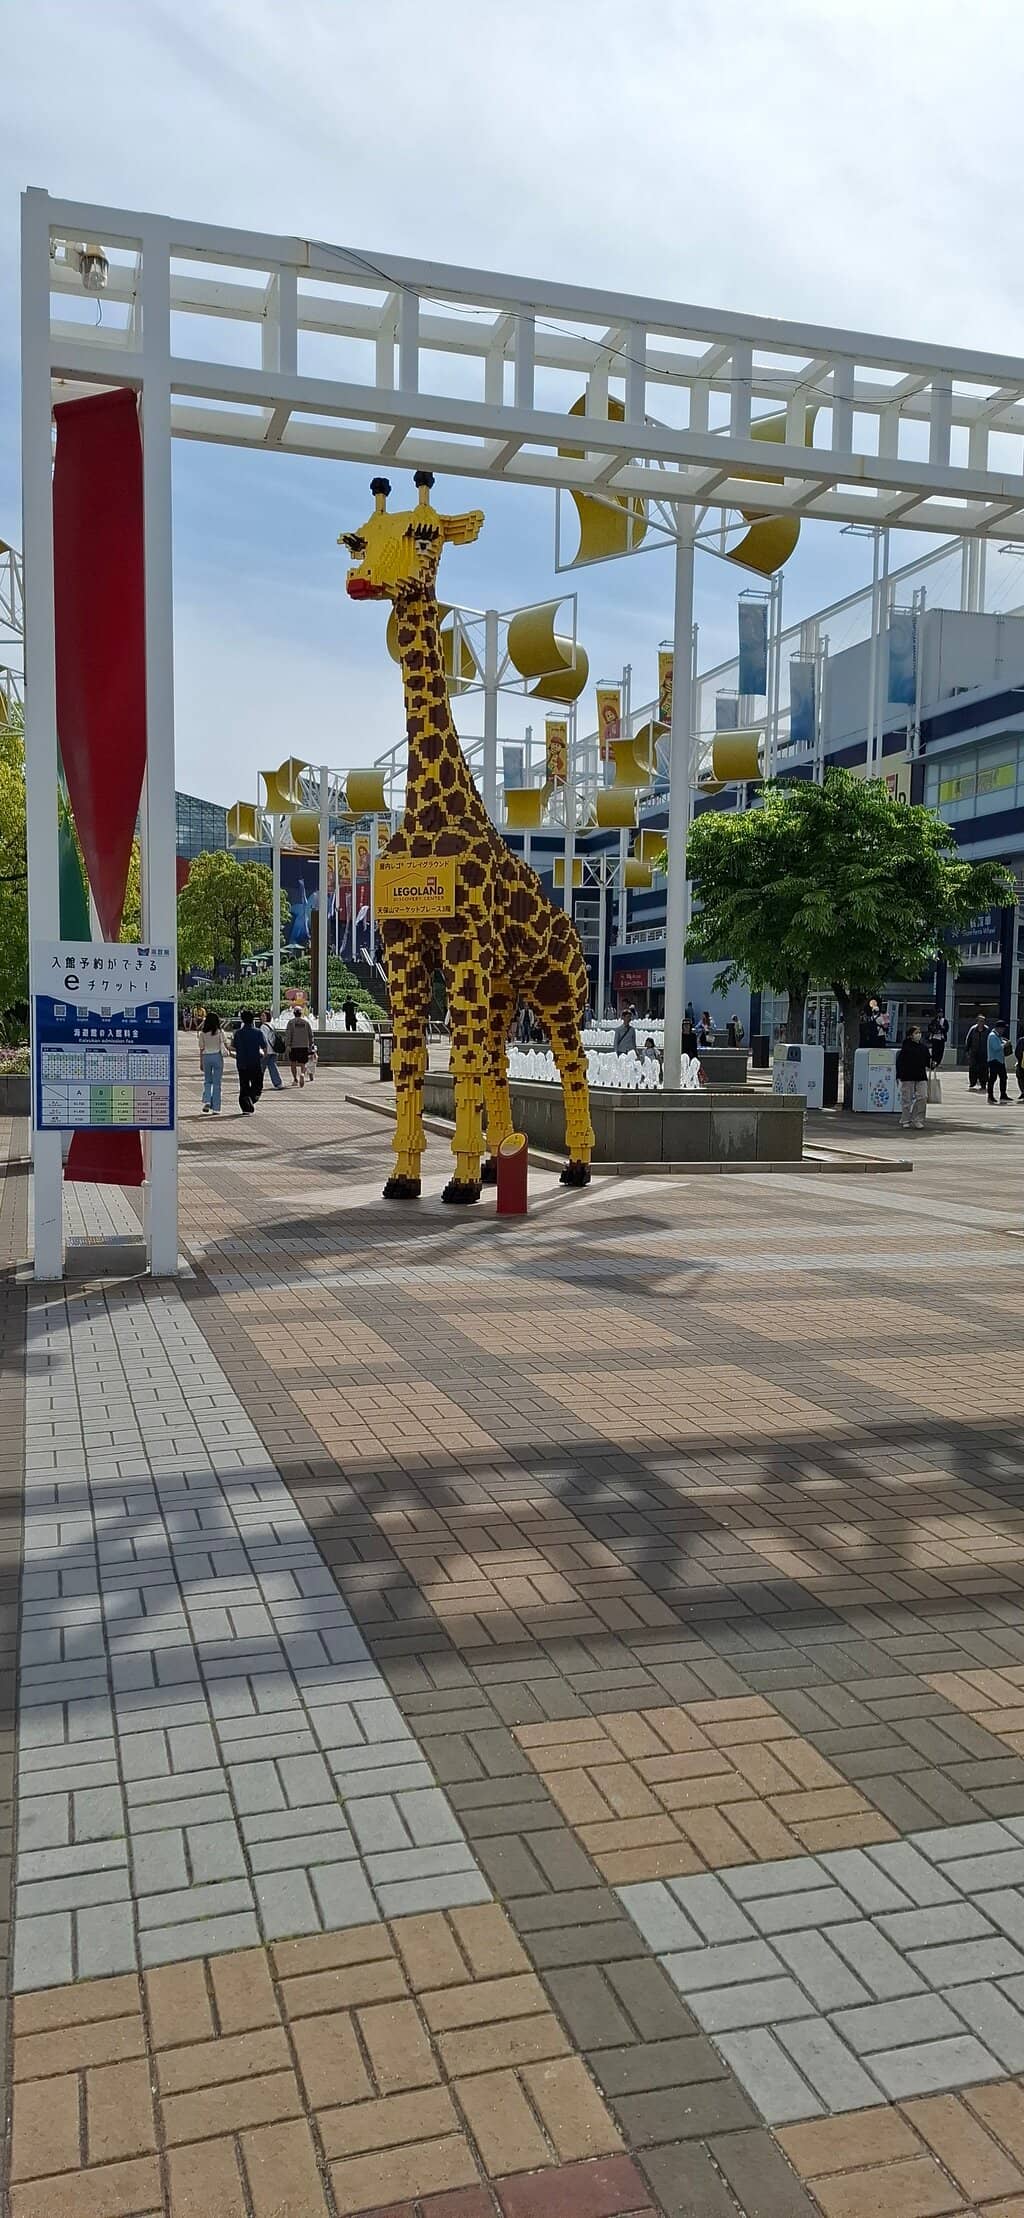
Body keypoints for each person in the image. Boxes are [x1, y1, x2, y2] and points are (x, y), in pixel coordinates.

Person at [896, 1023, 930, 1130]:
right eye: (916, 1033)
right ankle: (905, 1119)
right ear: (911, 1035)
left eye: (919, 1033)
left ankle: (918, 1119)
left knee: (923, 1097)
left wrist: (933, 1063)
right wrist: (899, 1075)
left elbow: (928, 1061)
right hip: (908, 1076)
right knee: (907, 1099)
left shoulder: (923, 1048)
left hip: (921, 1076)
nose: (918, 1035)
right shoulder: (906, 1047)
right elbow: (900, 1062)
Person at [233, 1010, 264, 1115]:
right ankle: (251, 1099)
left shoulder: (238, 1033)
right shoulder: (258, 1032)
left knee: (244, 1085)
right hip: (255, 1062)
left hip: (242, 1063)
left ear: (242, 1020)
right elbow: (264, 1047)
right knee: (257, 1085)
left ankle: (245, 1107)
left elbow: (234, 1046)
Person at [198, 1009, 228, 1115]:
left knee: (207, 1081)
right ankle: (216, 1108)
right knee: (217, 1083)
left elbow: (201, 1048)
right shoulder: (220, 1032)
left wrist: (201, 1062)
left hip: (206, 1057)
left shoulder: (202, 1033)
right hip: (217, 1056)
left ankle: (207, 1100)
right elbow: (226, 1045)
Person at [286, 1005, 314, 1086]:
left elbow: (288, 1035)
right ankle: (302, 1074)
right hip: (304, 1046)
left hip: (293, 1046)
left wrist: (288, 1045)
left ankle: (295, 1079)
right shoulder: (306, 1022)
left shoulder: (291, 1022)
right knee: (303, 1063)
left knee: (293, 1063)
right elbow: (311, 1035)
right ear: (301, 1013)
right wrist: (310, 1044)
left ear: (294, 1013)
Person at [987, 1019, 1010, 1102]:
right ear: (998, 1028)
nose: (1003, 1030)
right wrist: (1005, 1044)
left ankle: (1003, 1094)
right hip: (994, 1060)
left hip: (1000, 1060)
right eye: (1003, 1028)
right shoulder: (992, 1036)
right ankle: (990, 1096)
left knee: (1003, 1077)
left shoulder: (998, 1036)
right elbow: (996, 1048)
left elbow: (999, 1043)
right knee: (992, 1078)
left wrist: (1004, 1041)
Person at [260, 1009, 284, 1090]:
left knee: (261, 1068)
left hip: (267, 1050)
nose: (261, 1017)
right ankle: (278, 1083)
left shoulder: (263, 1027)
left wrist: (264, 1050)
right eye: (261, 1016)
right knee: (272, 1067)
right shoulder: (272, 1025)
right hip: (274, 1050)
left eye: (263, 1016)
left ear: (267, 1017)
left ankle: (257, 1084)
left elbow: (264, 1039)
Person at [966, 1012, 989, 1091]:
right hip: (974, 1052)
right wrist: (967, 1050)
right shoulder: (973, 1029)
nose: (981, 1023)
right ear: (977, 1022)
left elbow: (989, 1041)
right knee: (973, 1068)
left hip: (984, 1053)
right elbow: (968, 1040)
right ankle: (972, 1083)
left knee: (984, 1069)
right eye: (979, 1021)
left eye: (982, 1021)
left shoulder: (987, 1030)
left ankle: (983, 1084)